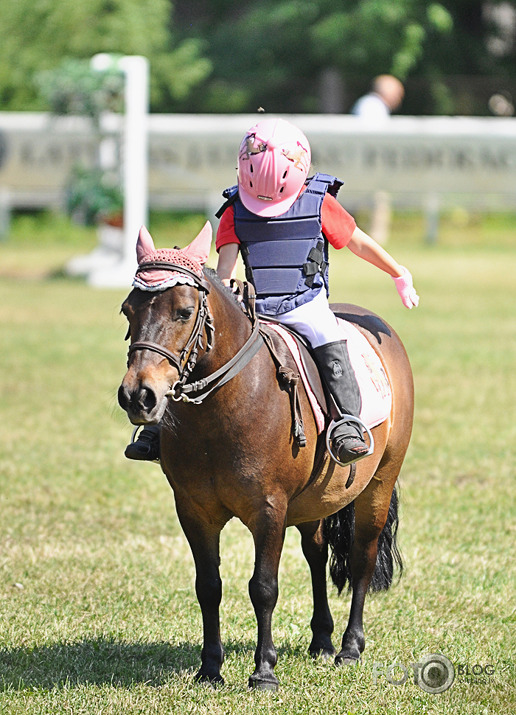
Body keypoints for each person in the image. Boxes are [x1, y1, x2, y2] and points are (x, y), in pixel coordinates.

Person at [213, 117, 418, 465]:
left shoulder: (318, 202)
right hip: (255, 310)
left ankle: (347, 424)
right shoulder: (234, 210)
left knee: (328, 339)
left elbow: (359, 244)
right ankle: (163, 428)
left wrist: (398, 273)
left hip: (304, 305)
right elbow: (226, 269)